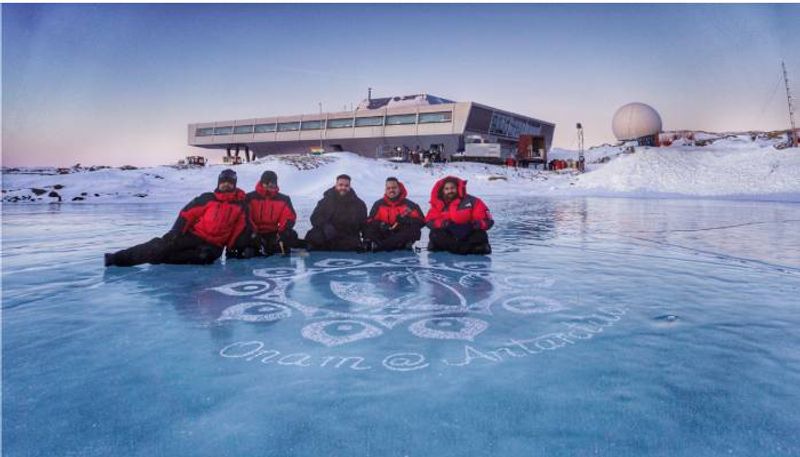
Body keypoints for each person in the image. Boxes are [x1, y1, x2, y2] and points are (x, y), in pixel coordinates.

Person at [104, 169, 246, 267]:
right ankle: (117, 258)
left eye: (230, 182)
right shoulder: (207, 198)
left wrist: (231, 251)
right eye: (223, 182)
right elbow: (186, 214)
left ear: (234, 184)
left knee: (202, 257)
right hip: (194, 236)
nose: (226, 184)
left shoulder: (239, 205)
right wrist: (175, 233)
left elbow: (237, 230)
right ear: (218, 183)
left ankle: (158, 259)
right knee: (160, 246)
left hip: (214, 246)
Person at [230, 170, 299, 258]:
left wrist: (283, 232)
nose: (271, 185)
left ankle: (278, 248)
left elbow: (289, 217)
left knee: (291, 235)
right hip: (253, 232)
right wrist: (254, 233)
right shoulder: (249, 198)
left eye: (273, 183)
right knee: (245, 243)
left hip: (273, 233)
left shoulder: (284, 199)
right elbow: (245, 217)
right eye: (268, 183)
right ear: (262, 183)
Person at [425, 176, 494, 255]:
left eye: (452, 188)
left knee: (480, 234)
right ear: (442, 190)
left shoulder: (474, 201)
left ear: (457, 188)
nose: (450, 191)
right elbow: (429, 221)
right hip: (448, 236)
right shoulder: (437, 204)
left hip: (469, 233)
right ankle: (462, 249)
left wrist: (475, 224)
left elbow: (488, 221)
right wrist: (445, 224)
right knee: (435, 233)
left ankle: (461, 249)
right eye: (446, 189)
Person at [305, 174, 368, 251]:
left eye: (346, 185)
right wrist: (325, 226)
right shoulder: (325, 201)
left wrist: (367, 239)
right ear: (336, 185)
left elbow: (364, 224)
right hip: (328, 234)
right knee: (314, 236)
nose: (343, 188)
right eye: (340, 185)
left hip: (348, 236)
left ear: (350, 186)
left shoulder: (359, 204)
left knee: (353, 245)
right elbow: (314, 218)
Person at [362, 177, 424, 252]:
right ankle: (390, 244)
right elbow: (370, 221)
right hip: (384, 233)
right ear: (385, 190)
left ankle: (382, 246)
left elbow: (422, 221)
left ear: (399, 188)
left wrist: (407, 220)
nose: (391, 190)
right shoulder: (378, 204)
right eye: (389, 188)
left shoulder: (409, 205)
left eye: (394, 188)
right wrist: (381, 224)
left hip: (402, 234)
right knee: (369, 228)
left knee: (414, 229)